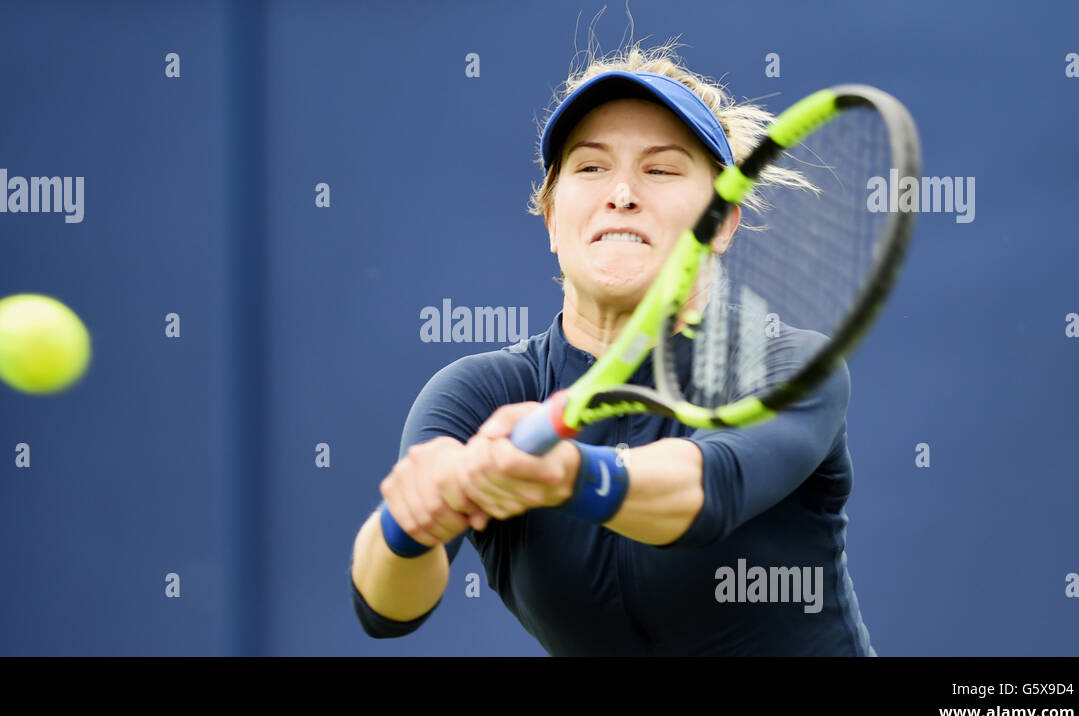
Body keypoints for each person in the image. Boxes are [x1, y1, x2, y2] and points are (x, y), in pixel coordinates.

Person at [349, 41, 875, 656]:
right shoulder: (478, 393)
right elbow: (387, 610)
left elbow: (708, 491)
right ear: (550, 217)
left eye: (661, 169)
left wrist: (568, 475)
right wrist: (410, 524)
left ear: (723, 222)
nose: (622, 192)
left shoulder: (788, 367)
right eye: (591, 167)